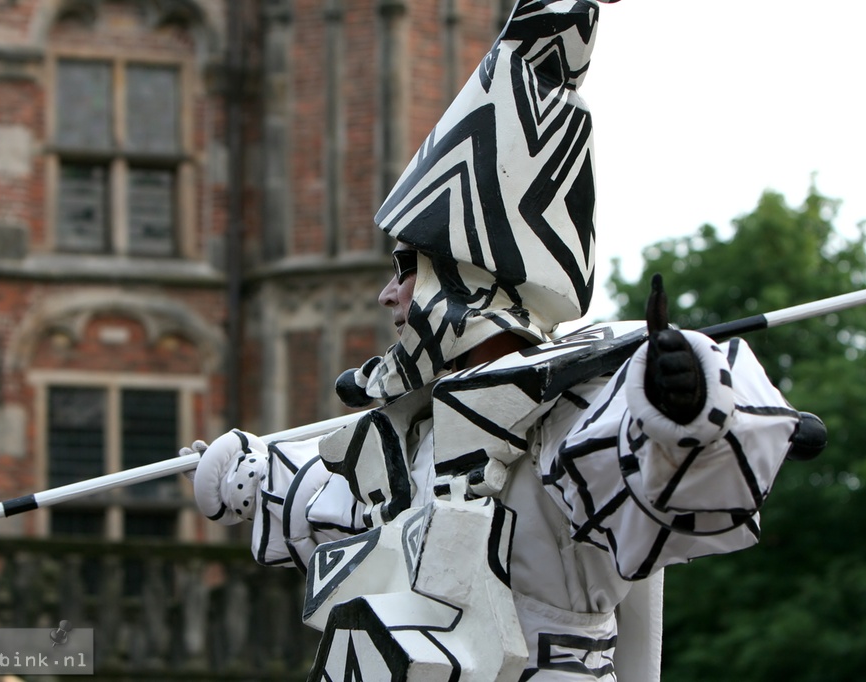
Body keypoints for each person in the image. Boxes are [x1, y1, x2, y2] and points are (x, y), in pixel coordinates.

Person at [182, 2, 806, 679]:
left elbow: (675, 467)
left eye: (406, 271)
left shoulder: (565, 424)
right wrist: (242, 471)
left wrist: (687, 403)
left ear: (467, 286)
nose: (388, 296)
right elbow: (339, 514)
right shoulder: (415, 433)